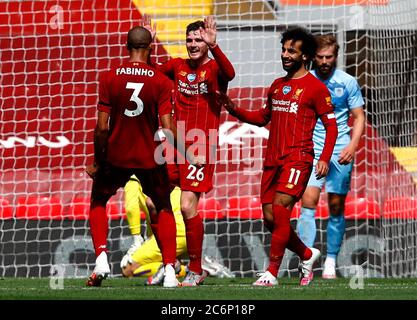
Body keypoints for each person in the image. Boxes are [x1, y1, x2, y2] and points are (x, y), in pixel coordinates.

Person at [216, 27, 338, 286]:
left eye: (291, 51)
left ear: (304, 56)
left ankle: (271, 273)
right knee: (271, 219)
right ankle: (306, 254)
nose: (284, 55)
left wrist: (325, 157)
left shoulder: (315, 88)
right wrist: (234, 108)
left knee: (282, 208)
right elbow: (262, 118)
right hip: (273, 160)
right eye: (283, 50)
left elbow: (331, 125)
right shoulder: (277, 85)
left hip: (298, 158)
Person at [143, 15, 235, 286]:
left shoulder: (215, 70)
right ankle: (168, 263)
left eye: (198, 39)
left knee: (186, 206)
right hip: (173, 144)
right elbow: (152, 72)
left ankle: (196, 269)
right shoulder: (177, 66)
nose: (193, 44)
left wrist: (215, 45)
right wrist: (148, 45)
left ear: (206, 42)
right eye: (190, 40)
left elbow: (230, 73)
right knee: (151, 202)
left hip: (200, 146)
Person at [85, 26, 180, 288]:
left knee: (98, 201)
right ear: (150, 48)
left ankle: (101, 257)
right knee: (163, 207)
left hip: (115, 155)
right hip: (148, 156)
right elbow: (168, 128)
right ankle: (171, 270)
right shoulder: (161, 81)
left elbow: (102, 127)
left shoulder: (109, 77)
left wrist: (98, 160)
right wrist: (180, 156)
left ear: (126, 47)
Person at [296, 35, 365, 279]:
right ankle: (306, 260)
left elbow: (359, 116)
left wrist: (353, 145)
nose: (324, 61)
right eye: (320, 57)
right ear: (312, 56)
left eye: (329, 57)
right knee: (308, 203)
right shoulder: (305, 80)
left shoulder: (347, 81)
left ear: (336, 56)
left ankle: (331, 261)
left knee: (336, 206)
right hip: (312, 149)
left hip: (340, 150)